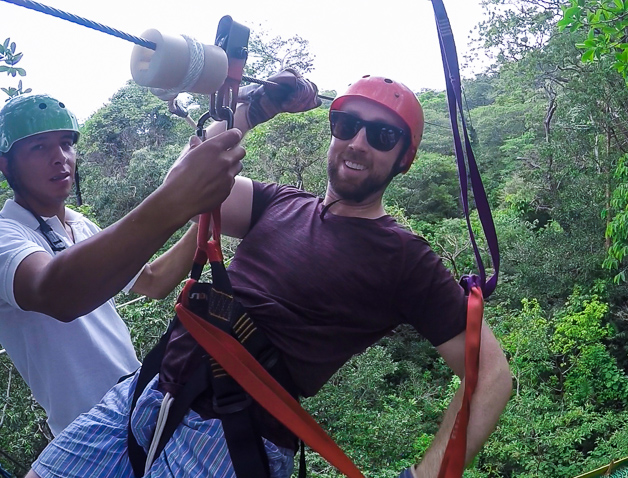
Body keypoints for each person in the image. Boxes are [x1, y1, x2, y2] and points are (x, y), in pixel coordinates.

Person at [29, 73, 512, 478]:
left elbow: (491, 374)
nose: (359, 143)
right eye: (347, 125)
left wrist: (424, 475)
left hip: (228, 438)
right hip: (147, 391)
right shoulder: (278, 203)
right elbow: (187, 179)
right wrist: (254, 107)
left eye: (382, 136)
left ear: (403, 158)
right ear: (333, 130)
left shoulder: (405, 257)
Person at [0, 93, 246, 436]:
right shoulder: (6, 236)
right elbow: (57, 293)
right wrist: (178, 198)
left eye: (66, 143)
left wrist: (201, 209)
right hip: (85, 433)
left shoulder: (78, 224)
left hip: (137, 405)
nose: (60, 158)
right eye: (39, 147)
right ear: (6, 164)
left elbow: (154, 280)